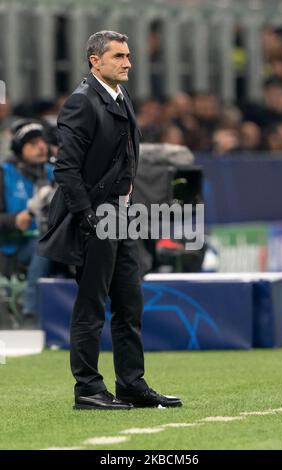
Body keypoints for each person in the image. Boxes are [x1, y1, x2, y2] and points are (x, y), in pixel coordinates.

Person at [39, 31, 182, 410]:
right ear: (94, 61)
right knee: (91, 305)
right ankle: (87, 388)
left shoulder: (119, 95)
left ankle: (131, 384)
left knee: (129, 303)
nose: (127, 63)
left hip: (123, 213)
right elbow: (66, 169)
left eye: (129, 56)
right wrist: (86, 214)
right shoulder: (81, 103)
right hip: (98, 215)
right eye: (118, 56)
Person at [0, 120, 53, 327]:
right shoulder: (4, 173)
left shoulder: (53, 173)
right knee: (43, 245)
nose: (41, 147)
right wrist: (15, 220)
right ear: (20, 150)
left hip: (46, 240)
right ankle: (30, 310)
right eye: (32, 144)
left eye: (42, 142)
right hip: (10, 243)